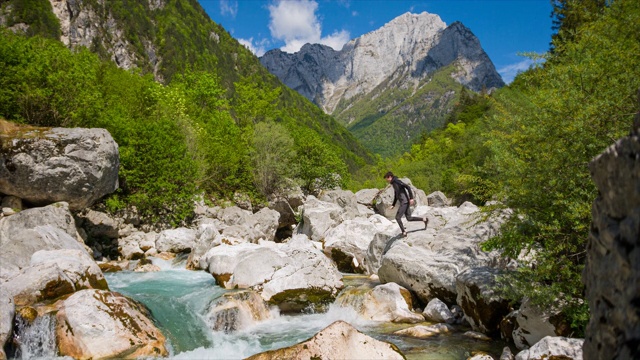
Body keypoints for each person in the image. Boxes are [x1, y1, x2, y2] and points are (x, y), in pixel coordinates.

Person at [384, 171, 428, 237]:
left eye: (387, 179)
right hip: (405, 202)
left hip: (404, 202)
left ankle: (404, 232)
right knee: (409, 218)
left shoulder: (396, 181)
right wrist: (393, 204)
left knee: (397, 217)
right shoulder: (394, 183)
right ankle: (424, 219)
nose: (387, 181)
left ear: (390, 177)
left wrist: (411, 198)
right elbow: (396, 194)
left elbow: (408, 187)